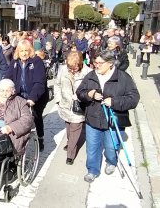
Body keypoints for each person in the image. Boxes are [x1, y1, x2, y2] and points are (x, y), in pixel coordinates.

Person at [76, 50, 140, 183]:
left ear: (110, 64)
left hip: (113, 120)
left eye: (100, 63)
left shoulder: (123, 78)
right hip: (93, 119)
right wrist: (90, 94)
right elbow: (80, 92)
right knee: (92, 147)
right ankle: (92, 170)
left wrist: (114, 102)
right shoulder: (91, 76)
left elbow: (134, 98)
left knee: (112, 147)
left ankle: (111, 161)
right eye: (95, 62)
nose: (96, 65)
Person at [5, 40, 49, 151]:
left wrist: (32, 98)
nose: (24, 53)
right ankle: (19, 140)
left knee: (36, 116)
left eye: (26, 50)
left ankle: (40, 138)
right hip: (20, 95)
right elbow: (8, 77)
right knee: (18, 117)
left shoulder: (36, 61)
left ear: (30, 51)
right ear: (17, 52)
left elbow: (40, 82)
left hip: (36, 95)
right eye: (21, 51)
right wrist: (2, 90)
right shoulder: (14, 62)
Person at [55, 51, 91, 165]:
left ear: (80, 64)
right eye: (69, 67)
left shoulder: (88, 73)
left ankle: (70, 154)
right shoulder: (63, 69)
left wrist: (81, 96)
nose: (71, 70)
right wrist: (58, 99)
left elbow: (90, 91)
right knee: (69, 126)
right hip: (65, 105)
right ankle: (70, 142)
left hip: (78, 107)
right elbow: (57, 84)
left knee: (75, 129)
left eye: (74, 68)